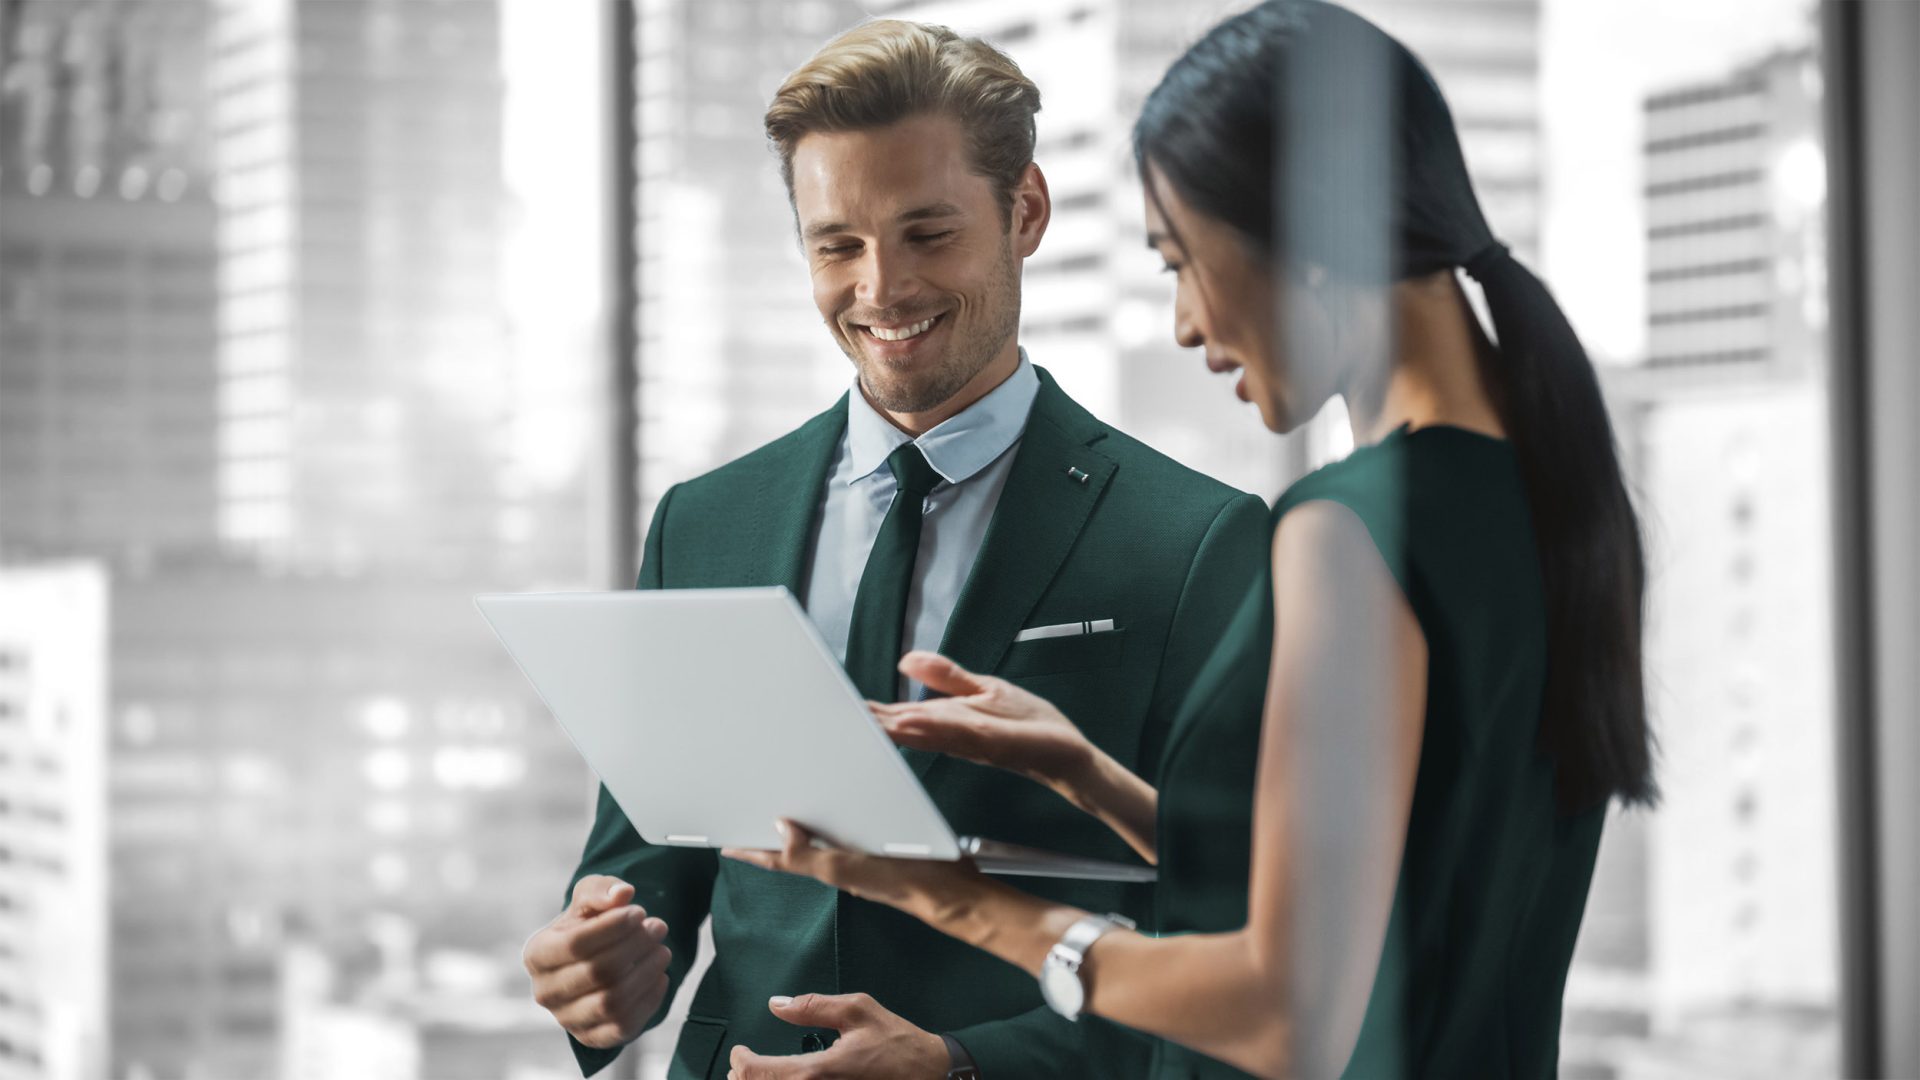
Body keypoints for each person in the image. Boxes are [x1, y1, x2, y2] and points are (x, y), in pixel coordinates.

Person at [723, 3, 1658, 1078]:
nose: (1183, 321)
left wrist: (945, 897)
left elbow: (1284, 1008)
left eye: (1182, 259)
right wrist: (1087, 777)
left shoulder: (1349, 530)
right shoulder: (1541, 486)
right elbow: (1386, 889)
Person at [521, 19, 1270, 1080]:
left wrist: (965, 1065)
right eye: (838, 245)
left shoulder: (1198, 542)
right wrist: (597, 966)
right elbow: (645, 871)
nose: (880, 289)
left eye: (928, 234)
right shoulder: (705, 522)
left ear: (1027, 213)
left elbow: (1239, 946)